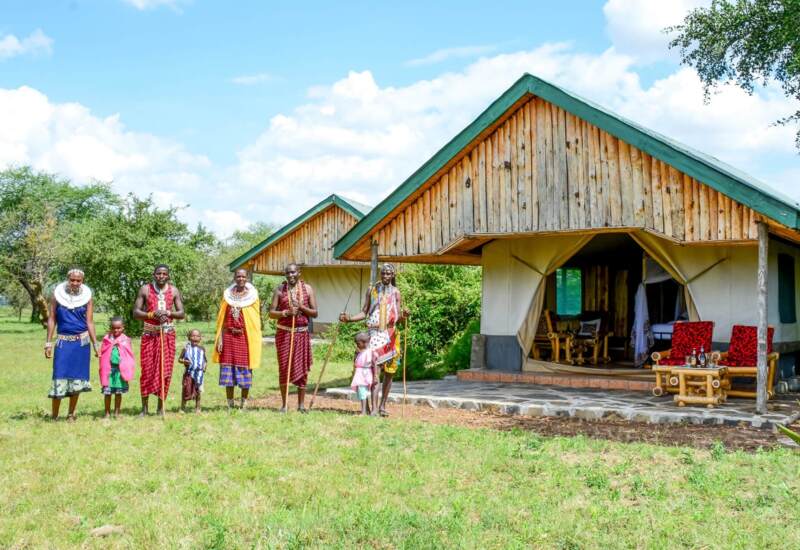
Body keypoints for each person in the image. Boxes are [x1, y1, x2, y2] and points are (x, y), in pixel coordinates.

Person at [339, 263, 408, 417]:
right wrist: (349, 318)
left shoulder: (396, 292)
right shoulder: (372, 290)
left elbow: (399, 318)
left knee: (389, 372)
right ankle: (371, 409)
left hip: (390, 335)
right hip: (373, 334)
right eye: (383, 273)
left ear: (393, 275)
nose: (385, 276)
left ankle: (382, 406)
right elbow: (364, 312)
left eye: (388, 274)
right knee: (373, 370)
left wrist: (405, 316)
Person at [44, 268, 98, 421]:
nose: (75, 283)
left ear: (82, 281)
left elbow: (90, 322)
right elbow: (52, 319)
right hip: (63, 342)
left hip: (81, 343)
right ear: (68, 280)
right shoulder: (57, 296)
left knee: (77, 379)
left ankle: (71, 414)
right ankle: (54, 415)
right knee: (59, 376)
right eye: (72, 280)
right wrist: (48, 342)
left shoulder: (87, 298)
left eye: (78, 280)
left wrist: (95, 344)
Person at [132, 264, 185, 416]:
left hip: (167, 335)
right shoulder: (145, 289)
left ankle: (161, 407)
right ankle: (144, 408)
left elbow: (181, 313)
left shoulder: (173, 290)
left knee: (165, 371)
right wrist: (152, 314)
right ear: (154, 275)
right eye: (158, 273)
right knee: (147, 371)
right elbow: (136, 312)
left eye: (164, 274)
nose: (161, 276)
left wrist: (167, 313)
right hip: (149, 334)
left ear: (168, 275)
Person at [269, 263, 317, 413]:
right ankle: (284, 404)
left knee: (302, 369)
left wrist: (301, 307)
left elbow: (315, 313)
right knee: (284, 368)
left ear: (299, 273)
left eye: (293, 272)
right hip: (284, 333)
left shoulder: (308, 289)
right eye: (288, 273)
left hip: (301, 333)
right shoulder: (279, 290)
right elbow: (271, 313)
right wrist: (286, 313)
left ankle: (301, 405)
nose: (290, 275)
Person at [212, 269, 261, 410]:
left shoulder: (253, 297)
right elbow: (222, 319)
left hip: (245, 338)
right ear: (234, 277)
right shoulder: (227, 296)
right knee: (228, 368)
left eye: (243, 276)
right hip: (228, 337)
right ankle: (230, 402)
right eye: (238, 276)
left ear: (247, 278)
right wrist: (220, 338)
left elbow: (254, 320)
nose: (240, 278)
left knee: (245, 369)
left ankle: (244, 402)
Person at [98, 317, 135, 418]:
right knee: (107, 392)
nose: (116, 330)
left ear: (123, 328)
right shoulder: (106, 339)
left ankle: (117, 413)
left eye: (118, 328)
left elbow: (128, 355)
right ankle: (107, 413)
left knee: (118, 393)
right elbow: (103, 352)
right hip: (109, 370)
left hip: (120, 371)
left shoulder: (126, 340)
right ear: (111, 328)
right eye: (114, 328)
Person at [179, 329, 207, 413]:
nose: (195, 337)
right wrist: (184, 361)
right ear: (189, 337)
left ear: (200, 338)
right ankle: (183, 407)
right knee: (186, 389)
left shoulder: (202, 348)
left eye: (197, 336)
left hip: (199, 374)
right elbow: (179, 359)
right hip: (188, 373)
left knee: (198, 390)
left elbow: (205, 360)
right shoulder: (186, 348)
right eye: (193, 336)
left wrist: (204, 367)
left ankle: (198, 407)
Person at [350, 332, 377, 416]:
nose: (357, 345)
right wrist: (356, 353)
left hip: (364, 374)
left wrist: (375, 375)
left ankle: (364, 412)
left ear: (365, 343)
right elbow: (355, 362)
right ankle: (364, 410)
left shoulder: (370, 352)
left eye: (358, 344)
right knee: (360, 392)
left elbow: (374, 364)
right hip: (359, 373)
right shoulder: (359, 352)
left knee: (362, 392)